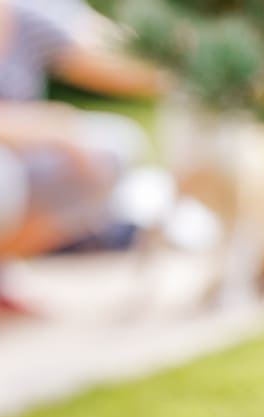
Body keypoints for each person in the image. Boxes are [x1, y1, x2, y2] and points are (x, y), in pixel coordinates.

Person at [0, 0, 166, 258]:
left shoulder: (29, 7)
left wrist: (182, 51)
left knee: (116, 145)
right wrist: (42, 126)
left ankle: (4, 267)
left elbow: (110, 54)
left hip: (24, 149)